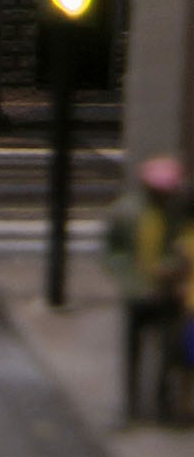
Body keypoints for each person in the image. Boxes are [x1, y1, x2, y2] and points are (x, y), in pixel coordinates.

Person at [104, 155, 190, 422]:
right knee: (134, 350)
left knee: (168, 351)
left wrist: (174, 267)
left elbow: (186, 243)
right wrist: (130, 279)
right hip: (138, 291)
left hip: (168, 290)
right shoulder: (127, 212)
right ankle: (132, 405)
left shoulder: (178, 212)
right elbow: (114, 251)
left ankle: (163, 404)